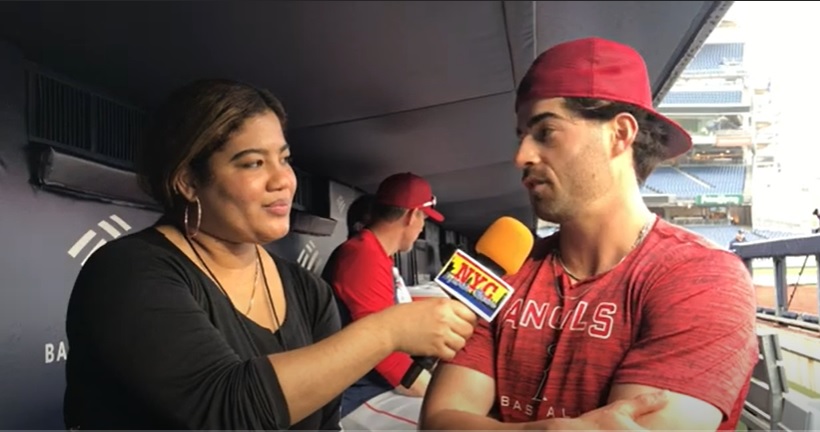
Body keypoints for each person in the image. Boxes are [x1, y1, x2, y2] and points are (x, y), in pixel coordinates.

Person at [62, 79, 478, 430]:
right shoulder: (128, 272)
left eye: (284, 159)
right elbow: (226, 410)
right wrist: (386, 332)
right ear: (188, 181)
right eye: (252, 163)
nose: (283, 180)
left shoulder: (307, 291)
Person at [420, 37, 758, 431]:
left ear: (620, 134)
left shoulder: (702, 277)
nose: (521, 156)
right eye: (521, 136)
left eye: (546, 132)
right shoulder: (502, 271)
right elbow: (439, 421)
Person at [326, 172, 443, 430]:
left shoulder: (378, 254)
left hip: (378, 386)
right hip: (356, 394)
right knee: (450, 423)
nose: (422, 227)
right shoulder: (362, 254)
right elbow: (381, 352)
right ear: (412, 215)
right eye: (423, 218)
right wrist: (438, 392)